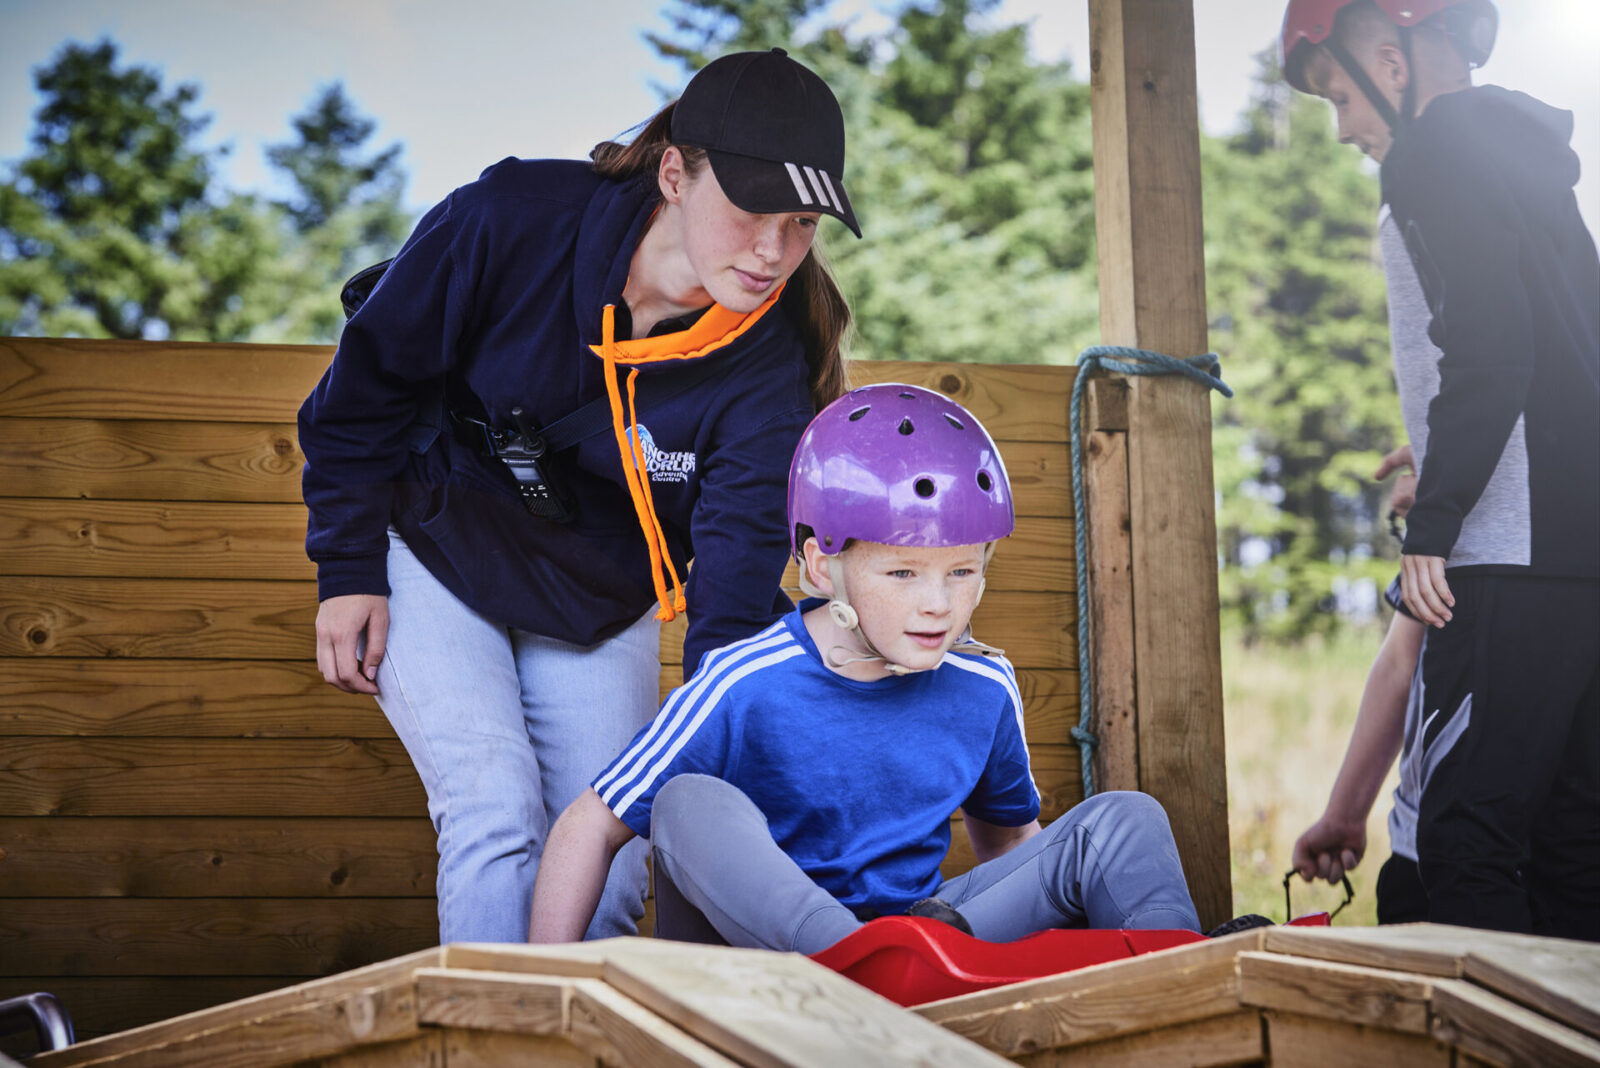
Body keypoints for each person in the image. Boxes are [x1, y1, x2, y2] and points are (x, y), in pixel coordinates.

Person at [297, 48, 861, 944]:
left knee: (616, 855)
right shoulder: (510, 217)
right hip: (438, 542)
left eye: (800, 223)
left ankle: (587, 1020)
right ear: (673, 174)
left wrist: (724, 759)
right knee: (495, 810)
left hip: (597, 593)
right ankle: (491, 1023)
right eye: (750, 209)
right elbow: (361, 392)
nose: (773, 250)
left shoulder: (770, 368)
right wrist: (348, 567)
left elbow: (733, 588)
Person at [528, 385, 1203, 950]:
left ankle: (1181, 983)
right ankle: (859, 960)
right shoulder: (743, 681)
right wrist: (541, 992)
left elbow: (1013, 852)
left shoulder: (984, 686)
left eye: (962, 571)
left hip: (919, 946)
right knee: (686, 801)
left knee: (1126, 820)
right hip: (767, 967)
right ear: (823, 567)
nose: (938, 604)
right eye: (903, 572)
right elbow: (589, 826)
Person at [1282, 0, 1600, 939]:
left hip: (1501, 562)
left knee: (1463, 844)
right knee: (1575, 852)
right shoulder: (1529, 171)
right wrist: (1442, 454)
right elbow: (1558, 364)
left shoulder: (1430, 155)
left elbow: (1492, 350)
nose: (1344, 128)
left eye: (1340, 97)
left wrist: (1438, 521)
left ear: (1390, 62)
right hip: (1579, 564)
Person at [1292, 576, 1428, 924]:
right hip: (1423, 861)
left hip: (1546, 864)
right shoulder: (1434, 542)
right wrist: (1345, 816)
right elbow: (1401, 662)